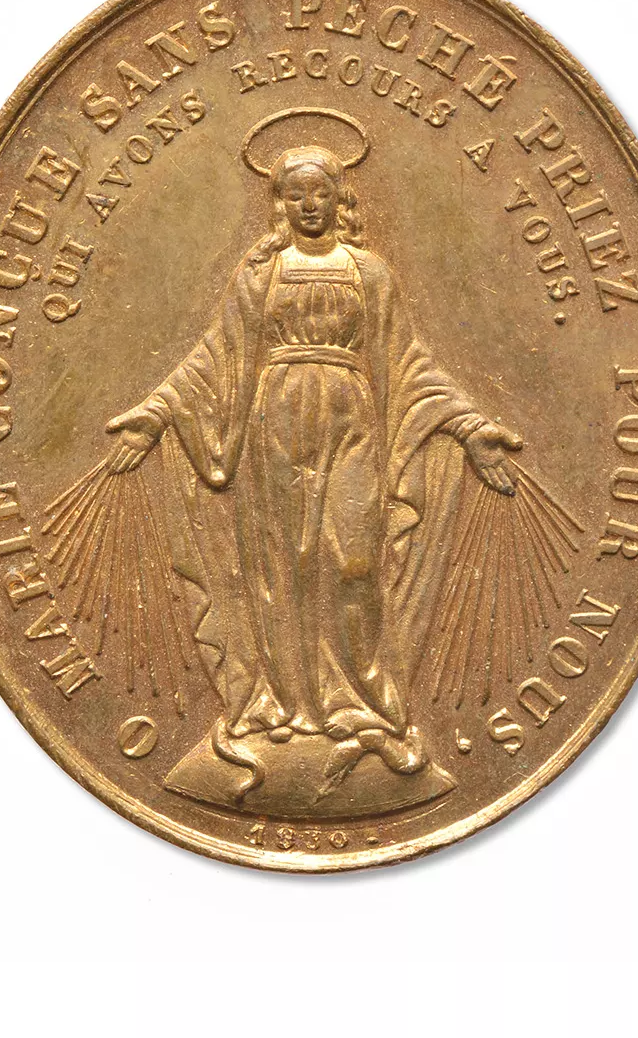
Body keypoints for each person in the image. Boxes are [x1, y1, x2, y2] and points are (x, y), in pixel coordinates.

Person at [105, 144, 521, 790]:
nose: (308, 205)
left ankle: (357, 703)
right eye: (296, 194)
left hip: (351, 421)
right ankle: (286, 704)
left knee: (353, 562)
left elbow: (408, 361)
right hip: (272, 424)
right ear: (279, 202)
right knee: (281, 566)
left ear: (338, 198)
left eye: (319, 193)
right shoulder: (259, 273)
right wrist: (157, 413)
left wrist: (468, 427)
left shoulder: (370, 273)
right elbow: (215, 357)